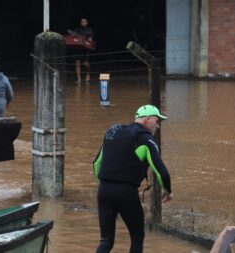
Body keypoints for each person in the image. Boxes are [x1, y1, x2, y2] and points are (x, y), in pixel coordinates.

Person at [92, 105, 173, 253]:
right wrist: (168, 191)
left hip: (104, 191)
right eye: (157, 120)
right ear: (148, 120)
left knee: (106, 241)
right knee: (137, 237)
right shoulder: (145, 139)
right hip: (126, 192)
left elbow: (96, 163)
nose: (158, 125)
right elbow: (161, 172)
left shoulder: (113, 132)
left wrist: (104, 186)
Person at [72, 18, 94, 84]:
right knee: (77, 63)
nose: (83, 22)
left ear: (87, 22)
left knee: (85, 63)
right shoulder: (77, 29)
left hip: (86, 49)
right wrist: (74, 35)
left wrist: (89, 40)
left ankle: (88, 75)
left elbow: (90, 39)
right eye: (82, 21)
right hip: (78, 49)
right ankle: (79, 79)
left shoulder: (89, 30)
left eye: (84, 21)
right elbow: (73, 36)